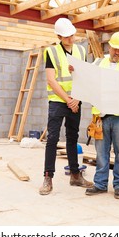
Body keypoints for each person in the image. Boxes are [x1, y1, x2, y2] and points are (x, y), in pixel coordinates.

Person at [39, 18, 93, 195]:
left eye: (72, 35)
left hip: (75, 101)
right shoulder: (51, 52)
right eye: (67, 36)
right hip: (58, 101)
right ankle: (48, 177)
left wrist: (76, 99)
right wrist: (68, 99)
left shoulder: (80, 50)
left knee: (72, 137)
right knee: (53, 139)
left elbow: (84, 76)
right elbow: (51, 79)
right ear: (59, 36)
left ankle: (75, 175)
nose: (71, 38)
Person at [85, 31, 119, 199]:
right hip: (101, 116)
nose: (117, 53)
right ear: (109, 47)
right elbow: (86, 79)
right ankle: (100, 184)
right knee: (101, 152)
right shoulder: (98, 63)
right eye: (115, 49)